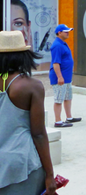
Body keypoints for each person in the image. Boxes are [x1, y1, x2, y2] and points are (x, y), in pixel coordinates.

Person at [0, 31, 56, 195]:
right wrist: (50, 174)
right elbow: (38, 133)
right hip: (22, 163)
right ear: (25, 55)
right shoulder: (31, 86)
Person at [49, 24, 81, 128]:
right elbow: (55, 63)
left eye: (68, 31)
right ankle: (58, 121)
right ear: (59, 33)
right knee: (59, 99)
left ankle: (69, 117)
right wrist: (59, 77)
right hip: (60, 78)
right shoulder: (57, 45)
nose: (68, 33)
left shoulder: (62, 43)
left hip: (66, 78)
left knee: (68, 97)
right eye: (65, 31)